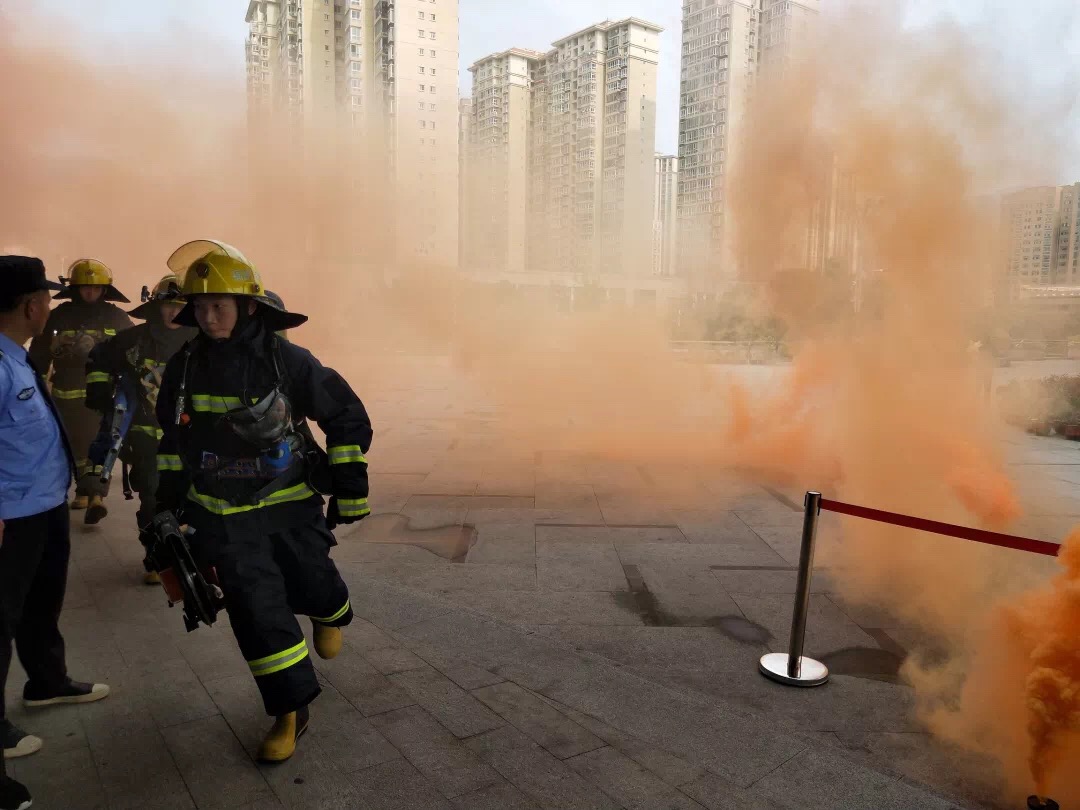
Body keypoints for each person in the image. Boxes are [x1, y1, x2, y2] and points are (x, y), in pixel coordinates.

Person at [154, 240, 371, 763]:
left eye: (219, 305)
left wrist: (350, 488)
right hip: (223, 521)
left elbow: (345, 416)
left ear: (250, 305)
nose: (208, 317)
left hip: (291, 508)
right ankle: (290, 712)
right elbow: (170, 447)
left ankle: (329, 613)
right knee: (257, 614)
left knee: (314, 582)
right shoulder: (182, 370)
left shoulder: (288, 361)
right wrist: (162, 519)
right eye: (200, 307)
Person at [0, 256, 112, 810]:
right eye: (46, 298)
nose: (51, 306)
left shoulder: (17, 357)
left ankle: (45, 681)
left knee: (42, 604)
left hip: (42, 507)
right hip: (8, 517)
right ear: (29, 306)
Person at [82, 274, 196, 578]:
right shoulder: (135, 339)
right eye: (167, 305)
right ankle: (156, 557)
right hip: (147, 437)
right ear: (156, 307)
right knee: (152, 498)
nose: (173, 311)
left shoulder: (200, 341)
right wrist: (98, 386)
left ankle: (187, 553)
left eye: (179, 304)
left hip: (190, 439)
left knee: (190, 500)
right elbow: (99, 357)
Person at [28, 259, 131, 518]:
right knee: (75, 444)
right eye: (84, 287)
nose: (90, 293)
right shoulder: (59, 315)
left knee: (101, 441)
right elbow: (40, 351)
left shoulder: (116, 317)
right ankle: (83, 492)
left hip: (104, 392)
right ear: (74, 288)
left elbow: (132, 352)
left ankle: (96, 494)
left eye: (95, 288)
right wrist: (36, 383)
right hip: (67, 390)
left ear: (105, 290)